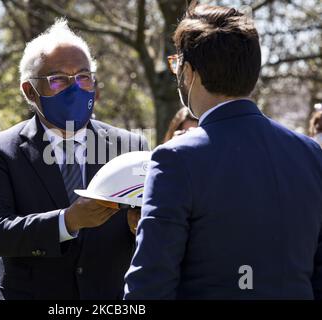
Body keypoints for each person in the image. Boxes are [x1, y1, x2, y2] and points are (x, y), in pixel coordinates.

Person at [124, 3, 322, 299]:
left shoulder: (175, 158)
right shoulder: (311, 154)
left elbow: (150, 284)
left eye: (177, 65)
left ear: (189, 73)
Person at [0, 19, 148, 300]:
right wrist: (67, 222)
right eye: (58, 80)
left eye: (83, 77)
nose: (74, 88)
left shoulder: (130, 146)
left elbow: (152, 230)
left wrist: (141, 225)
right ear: (30, 91)